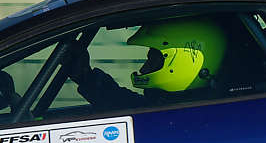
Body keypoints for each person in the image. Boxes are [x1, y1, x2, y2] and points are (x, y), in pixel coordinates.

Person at [76, 18, 228, 111]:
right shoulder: (167, 107)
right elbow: (126, 104)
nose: (143, 68)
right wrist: (84, 76)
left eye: (153, 60)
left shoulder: (183, 117)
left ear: (185, 61)